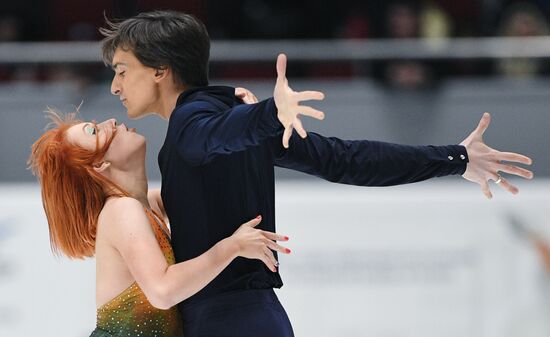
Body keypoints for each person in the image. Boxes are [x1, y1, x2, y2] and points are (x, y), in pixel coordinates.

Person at [100, 10, 533, 336]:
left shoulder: (194, 123)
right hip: (248, 316)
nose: (116, 86)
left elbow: (213, 137)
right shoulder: (226, 114)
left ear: (160, 70)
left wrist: (271, 113)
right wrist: (454, 158)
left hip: (229, 320)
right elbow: (345, 159)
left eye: (122, 71)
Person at [28, 111, 291, 337]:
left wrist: (236, 113)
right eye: (95, 131)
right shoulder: (121, 210)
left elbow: (204, 186)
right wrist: (232, 247)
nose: (111, 121)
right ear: (99, 164)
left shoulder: (146, 204)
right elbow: (162, 290)